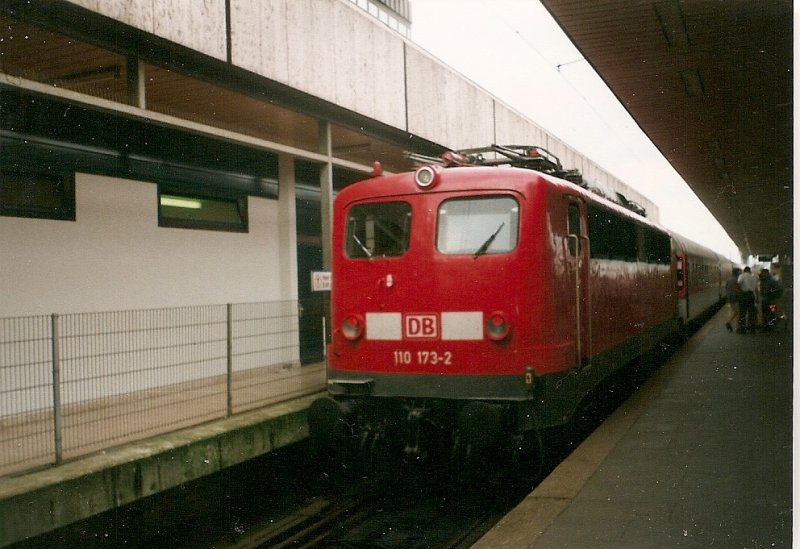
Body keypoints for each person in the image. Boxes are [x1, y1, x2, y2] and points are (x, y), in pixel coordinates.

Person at [736, 266, 758, 333]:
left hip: (744, 296)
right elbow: (756, 289)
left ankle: (742, 329)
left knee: (742, 313)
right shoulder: (754, 277)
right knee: (752, 313)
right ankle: (752, 329)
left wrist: (741, 291)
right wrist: (757, 298)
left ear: (744, 271)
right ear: (749, 271)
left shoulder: (742, 276)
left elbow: (738, 284)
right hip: (752, 296)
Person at [724, 268, 741, 332]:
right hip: (735, 298)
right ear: (737, 273)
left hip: (730, 298)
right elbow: (738, 289)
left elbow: (726, 288)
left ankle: (730, 323)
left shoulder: (729, 279)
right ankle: (737, 327)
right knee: (738, 312)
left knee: (736, 311)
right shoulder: (737, 279)